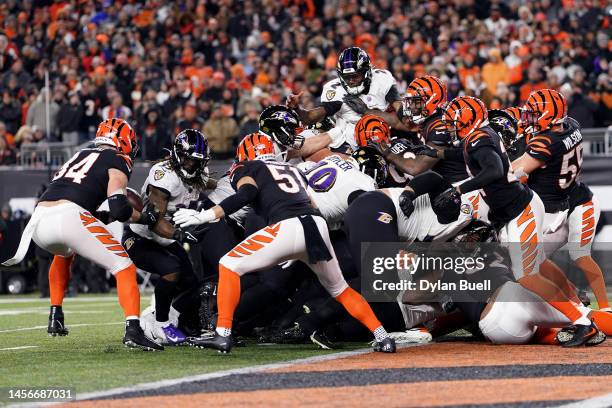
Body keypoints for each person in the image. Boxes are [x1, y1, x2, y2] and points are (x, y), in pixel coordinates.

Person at [173, 109, 396, 354]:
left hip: (287, 226)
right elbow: (311, 203)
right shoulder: (292, 169)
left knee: (228, 265)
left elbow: (246, 195)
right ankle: (382, 336)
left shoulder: (248, 168)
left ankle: (222, 334)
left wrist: (204, 215)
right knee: (340, 288)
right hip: (315, 225)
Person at [437, 95, 600, 347]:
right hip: (522, 206)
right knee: (539, 264)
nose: (449, 127)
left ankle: (581, 321)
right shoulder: (482, 134)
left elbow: (494, 171)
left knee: (526, 276)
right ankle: (577, 306)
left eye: (452, 122)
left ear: (467, 121)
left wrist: (459, 191)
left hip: (521, 210)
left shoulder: (481, 140)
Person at [1, 118, 162, 351]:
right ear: (122, 140)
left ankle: (55, 313)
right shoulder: (117, 158)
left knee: (66, 252)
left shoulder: (79, 154)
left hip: (39, 220)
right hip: (69, 216)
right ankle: (133, 329)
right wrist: (143, 217)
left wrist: (103, 216)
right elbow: (119, 206)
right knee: (124, 267)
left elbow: (80, 196)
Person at [512, 89, 610, 312]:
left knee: (579, 255)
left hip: (577, 202)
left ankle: (604, 308)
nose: (531, 119)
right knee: (536, 259)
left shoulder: (547, 142)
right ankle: (575, 296)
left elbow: (518, 170)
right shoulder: (571, 125)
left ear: (549, 115)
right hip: (561, 202)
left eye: (536, 114)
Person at [124, 129, 211, 345]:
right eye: (187, 158)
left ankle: (160, 317)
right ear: (176, 154)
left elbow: (214, 185)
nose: (191, 164)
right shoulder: (164, 175)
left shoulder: (200, 172)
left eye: (196, 161)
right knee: (170, 269)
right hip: (140, 236)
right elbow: (154, 221)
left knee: (193, 284)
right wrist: (180, 233)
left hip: (167, 238)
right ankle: (161, 325)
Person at [286, 47, 403, 153]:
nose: (351, 81)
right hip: (352, 144)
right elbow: (310, 117)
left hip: (387, 136)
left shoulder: (381, 80)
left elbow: (401, 113)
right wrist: (297, 108)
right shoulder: (337, 91)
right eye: (347, 77)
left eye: (355, 76)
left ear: (366, 72)